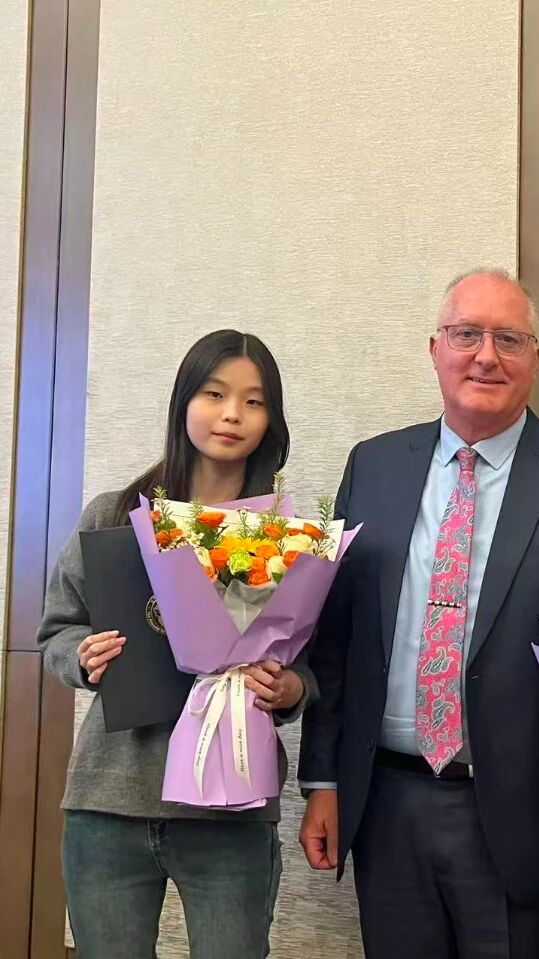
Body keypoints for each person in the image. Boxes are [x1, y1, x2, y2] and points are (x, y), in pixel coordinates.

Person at [297, 268, 539, 959]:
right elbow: (335, 639)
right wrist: (323, 779)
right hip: (387, 804)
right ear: (435, 348)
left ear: (536, 360)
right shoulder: (373, 466)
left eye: (509, 339)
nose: (486, 356)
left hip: (531, 813)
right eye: (467, 335)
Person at [39, 329, 315, 959]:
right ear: (183, 401)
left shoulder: (283, 536)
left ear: (271, 419)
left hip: (231, 811)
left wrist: (290, 688)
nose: (231, 414)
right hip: (109, 802)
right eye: (214, 394)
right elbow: (56, 630)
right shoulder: (115, 514)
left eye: (253, 401)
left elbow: (311, 666)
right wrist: (81, 656)